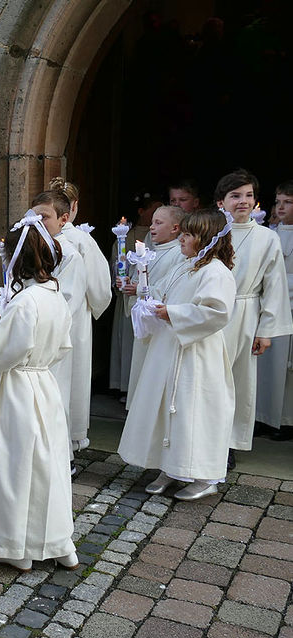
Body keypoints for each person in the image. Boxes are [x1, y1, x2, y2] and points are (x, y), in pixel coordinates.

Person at [0, 210, 77, 571]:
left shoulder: (26, 302)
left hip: (17, 388)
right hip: (44, 385)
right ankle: (57, 541)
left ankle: (12, 546)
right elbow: (63, 346)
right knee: (46, 466)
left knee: (12, 464)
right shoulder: (55, 296)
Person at [119, 209, 236, 500]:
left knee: (192, 410)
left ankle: (205, 475)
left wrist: (172, 313)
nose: (181, 239)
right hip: (169, 346)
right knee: (166, 407)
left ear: (207, 240)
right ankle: (170, 467)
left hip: (196, 353)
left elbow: (217, 311)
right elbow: (163, 290)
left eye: (188, 235)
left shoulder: (216, 272)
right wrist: (147, 293)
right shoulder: (186, 265)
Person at [215, 170, 293, 466]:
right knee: (207, 378)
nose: (243, 202)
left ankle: (230, 443)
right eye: (235, 196)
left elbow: (274, 285)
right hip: (211, 313)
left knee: (239, 380)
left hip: (245, 313)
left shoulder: (266, 238)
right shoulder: (211, 231)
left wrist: (266, 329)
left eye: (248, 195)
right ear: (221, 201)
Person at [53, 177, 112, 450]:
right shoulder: (81, 240)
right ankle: (70, 440)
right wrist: (96, 305)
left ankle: (57, 441)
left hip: (44, 314)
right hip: (75, 319)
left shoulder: (33, 236)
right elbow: (100, 287)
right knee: (71, 376)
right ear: (74, 206)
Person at [29, 191, 86, 465]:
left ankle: (62, 457)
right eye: (35, 215)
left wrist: (34, 314)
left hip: (53, 335)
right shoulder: (33, 247)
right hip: (33, 332)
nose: (38, 221)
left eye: (45, 216)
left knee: (55, 395)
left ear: (64, 219)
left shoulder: (70, 255)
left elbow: (68, 299)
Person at [123, 206, 187, 408]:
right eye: (151, 222)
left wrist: (142, 290)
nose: (151, 227)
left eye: (158, 223)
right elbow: (139, 281)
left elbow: (174, 287)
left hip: (161, 322)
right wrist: (128, 283)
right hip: (145, 321)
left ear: (175, 228)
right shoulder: (151, 251)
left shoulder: (179, 253)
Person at [109, 191, 163, 396]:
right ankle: (124, 385)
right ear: (142, 211)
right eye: (153, 209)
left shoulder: (157, 236)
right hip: (129, 296)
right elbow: (118, 264)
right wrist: (122, 281)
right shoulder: (128, 236)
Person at [255, 180, 293, 440]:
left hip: (289, 304)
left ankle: (286, 420)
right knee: (265, 365)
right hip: (267, 304)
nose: (280, 207)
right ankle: (263, 416)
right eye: (278, 201)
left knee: (287, 367)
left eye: (288, 202)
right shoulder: (269, 232)